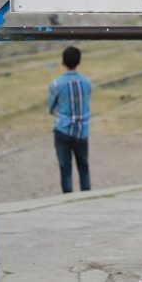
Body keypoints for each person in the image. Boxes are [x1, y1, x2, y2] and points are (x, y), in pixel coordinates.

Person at [48, 46, 92, 193]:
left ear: (63, 62)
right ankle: (87, 197)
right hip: (82, 132)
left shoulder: (56, 84)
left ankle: (68, 199)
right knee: (83, 166)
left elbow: (51, 109)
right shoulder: (87, 82)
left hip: (62, 131)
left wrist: (64, 116)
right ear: (79, 61)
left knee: (65, 168)